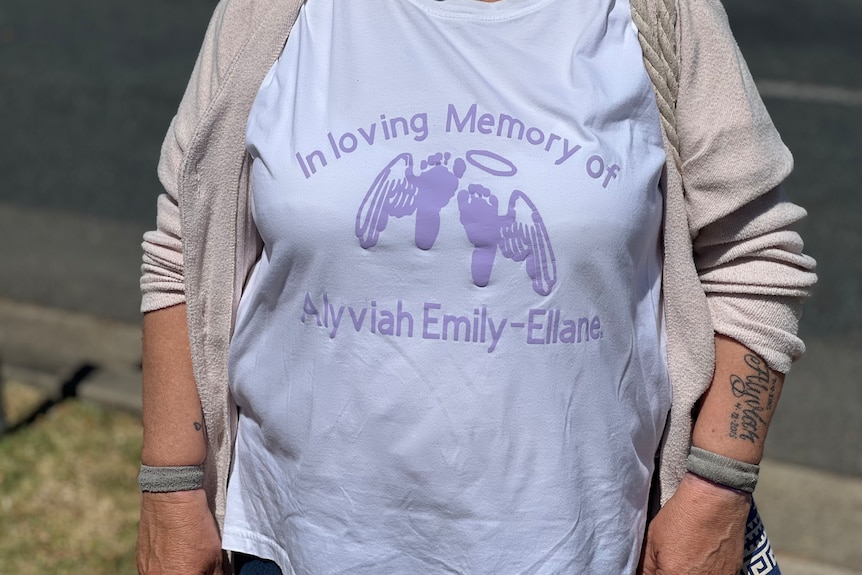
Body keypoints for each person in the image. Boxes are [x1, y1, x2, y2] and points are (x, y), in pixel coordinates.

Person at [136, 0, 817, 573]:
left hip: (583, 550)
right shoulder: (274, 13)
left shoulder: (657, 13)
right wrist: (170, 485)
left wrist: (716, 487)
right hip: (296, 546)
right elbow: (182, 253)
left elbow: (754, 255)